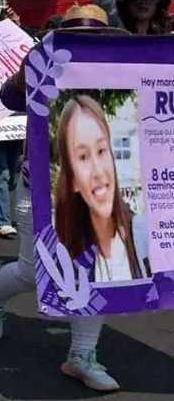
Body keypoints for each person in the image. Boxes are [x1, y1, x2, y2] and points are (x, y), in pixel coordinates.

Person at [0, 6, 135, 391]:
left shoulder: (124, 70)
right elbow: (9, 98)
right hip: (42, 188)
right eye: (77, 35)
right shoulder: (44, 67)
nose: (86, 43)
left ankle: (81, 355)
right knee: (36, 270)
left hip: (102, 188)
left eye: (94, 36)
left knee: (98, 271)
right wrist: (31, 65)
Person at [53, 95, 150, 282]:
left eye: (101, 150)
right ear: (72, 179)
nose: (98, 171)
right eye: (83, 157)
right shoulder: (62, 251)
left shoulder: (142, 237)